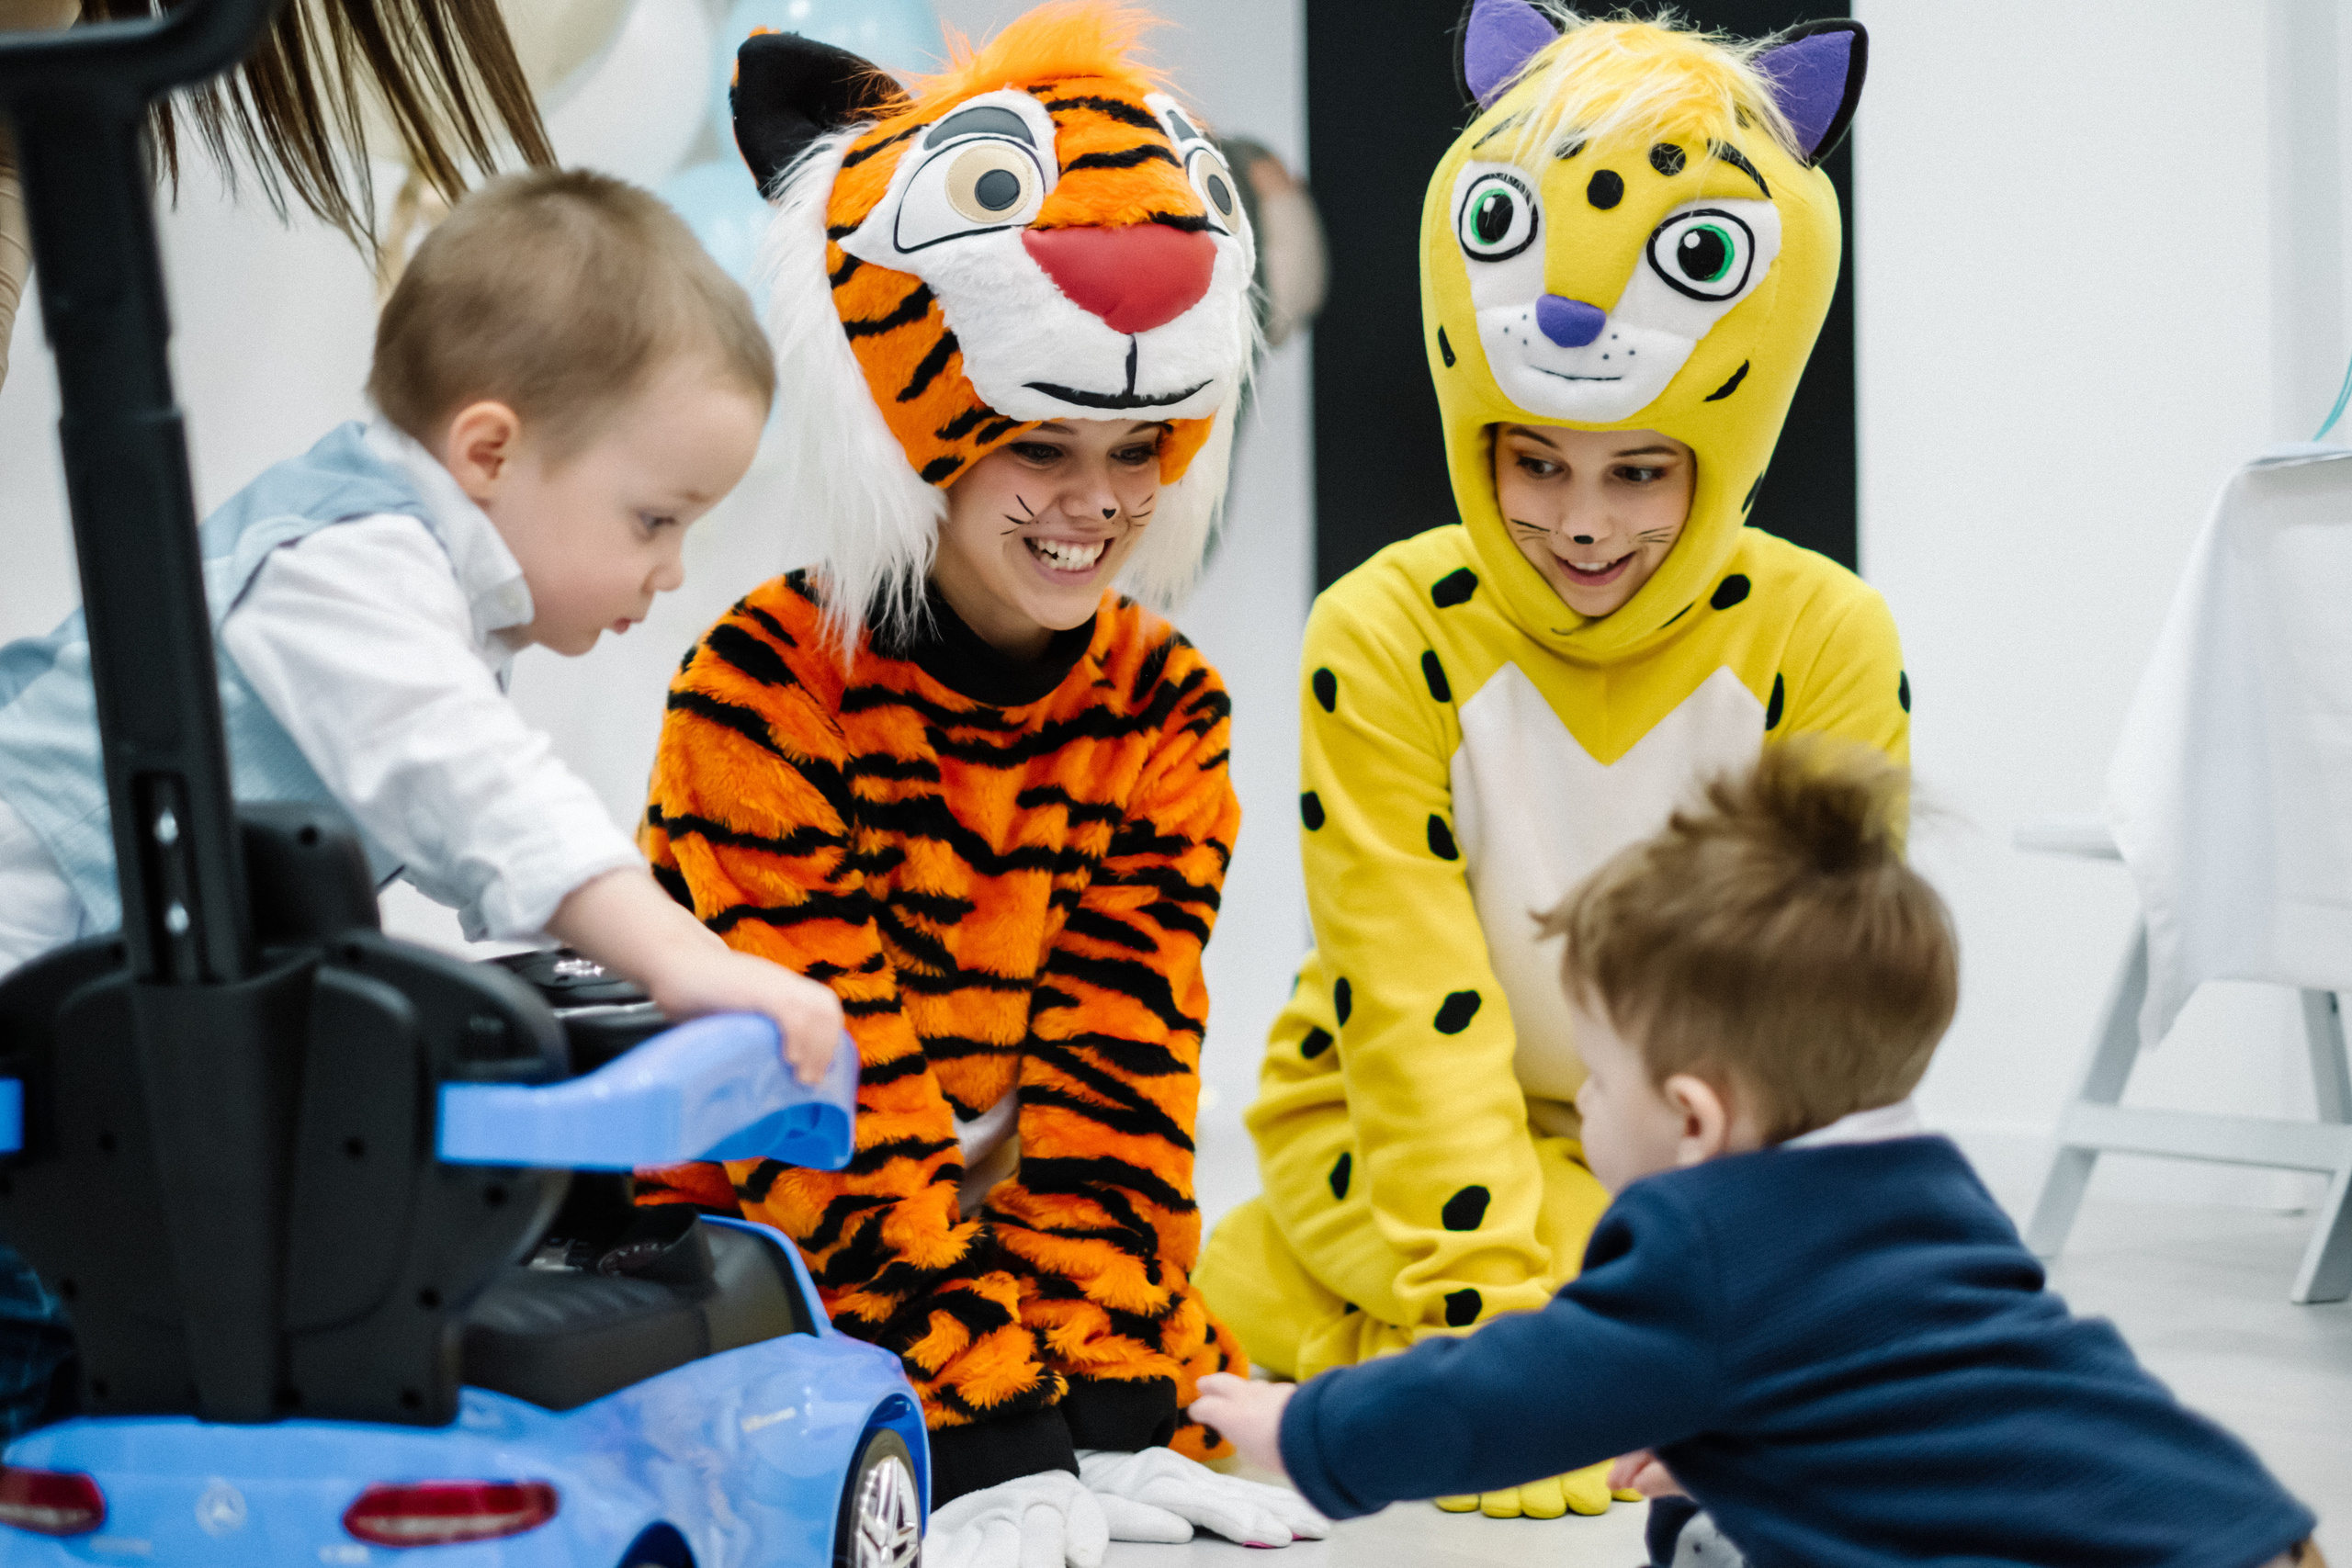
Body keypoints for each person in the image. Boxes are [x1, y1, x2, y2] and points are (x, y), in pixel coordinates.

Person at [630, 8, 1325, 1567]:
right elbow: (824, 1100)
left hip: (992, 1271)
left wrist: (1124, 1403)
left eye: (1140, 446)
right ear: (931, 422)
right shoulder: (765, 683)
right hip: (752, 1247)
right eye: (1038, 445)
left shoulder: (1168, 703)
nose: (1095, 504)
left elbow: (1119, 1080)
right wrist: (983, 1427)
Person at [1193, 4, 1901, 1521]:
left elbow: (1818, 1020)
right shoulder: (1383, 627)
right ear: (1476, 423)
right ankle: (1422, 1331)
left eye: (1642, 470)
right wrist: (1495, 1332)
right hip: (1387, 1139)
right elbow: (1409, 995)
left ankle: (1374, 1357)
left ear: (1731, 429)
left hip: (1688, 1158)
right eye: (1538, 463)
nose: (1585, 524)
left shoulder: (1825, 635)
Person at [0, 168, 843, 1430]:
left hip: (85, 1051)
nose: (672, 569)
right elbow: (469, 788)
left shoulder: (418, 579)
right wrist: (685, 958)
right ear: (490, 449)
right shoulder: (347, 563)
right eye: (656, 518)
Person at [1193, 742, 2325, 1568]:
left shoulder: (1705, 1242)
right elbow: (1925, 1407)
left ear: (1693, 1121)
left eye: (1596, 1075)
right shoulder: (1928, 1184)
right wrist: (1737, 1442)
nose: (1581, 1103)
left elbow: (1498, 1397)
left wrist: (1306, 1428)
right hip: (2243, 1526)